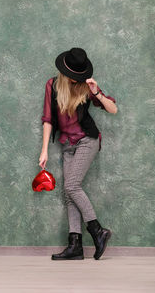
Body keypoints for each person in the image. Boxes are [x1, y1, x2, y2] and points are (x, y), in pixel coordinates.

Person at [39, 47, 118, 260]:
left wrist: (97, 92)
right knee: (68, 192)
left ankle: (97, 230)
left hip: (87, 141)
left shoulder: (86, 87)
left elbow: (113, 109)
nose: (76, 80)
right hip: (66, 144)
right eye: (73, 77)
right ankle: (75, 246)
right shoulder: (53, 85)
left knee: (72, 186)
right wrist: (44, 149)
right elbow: (48, 119)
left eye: (79, 77)